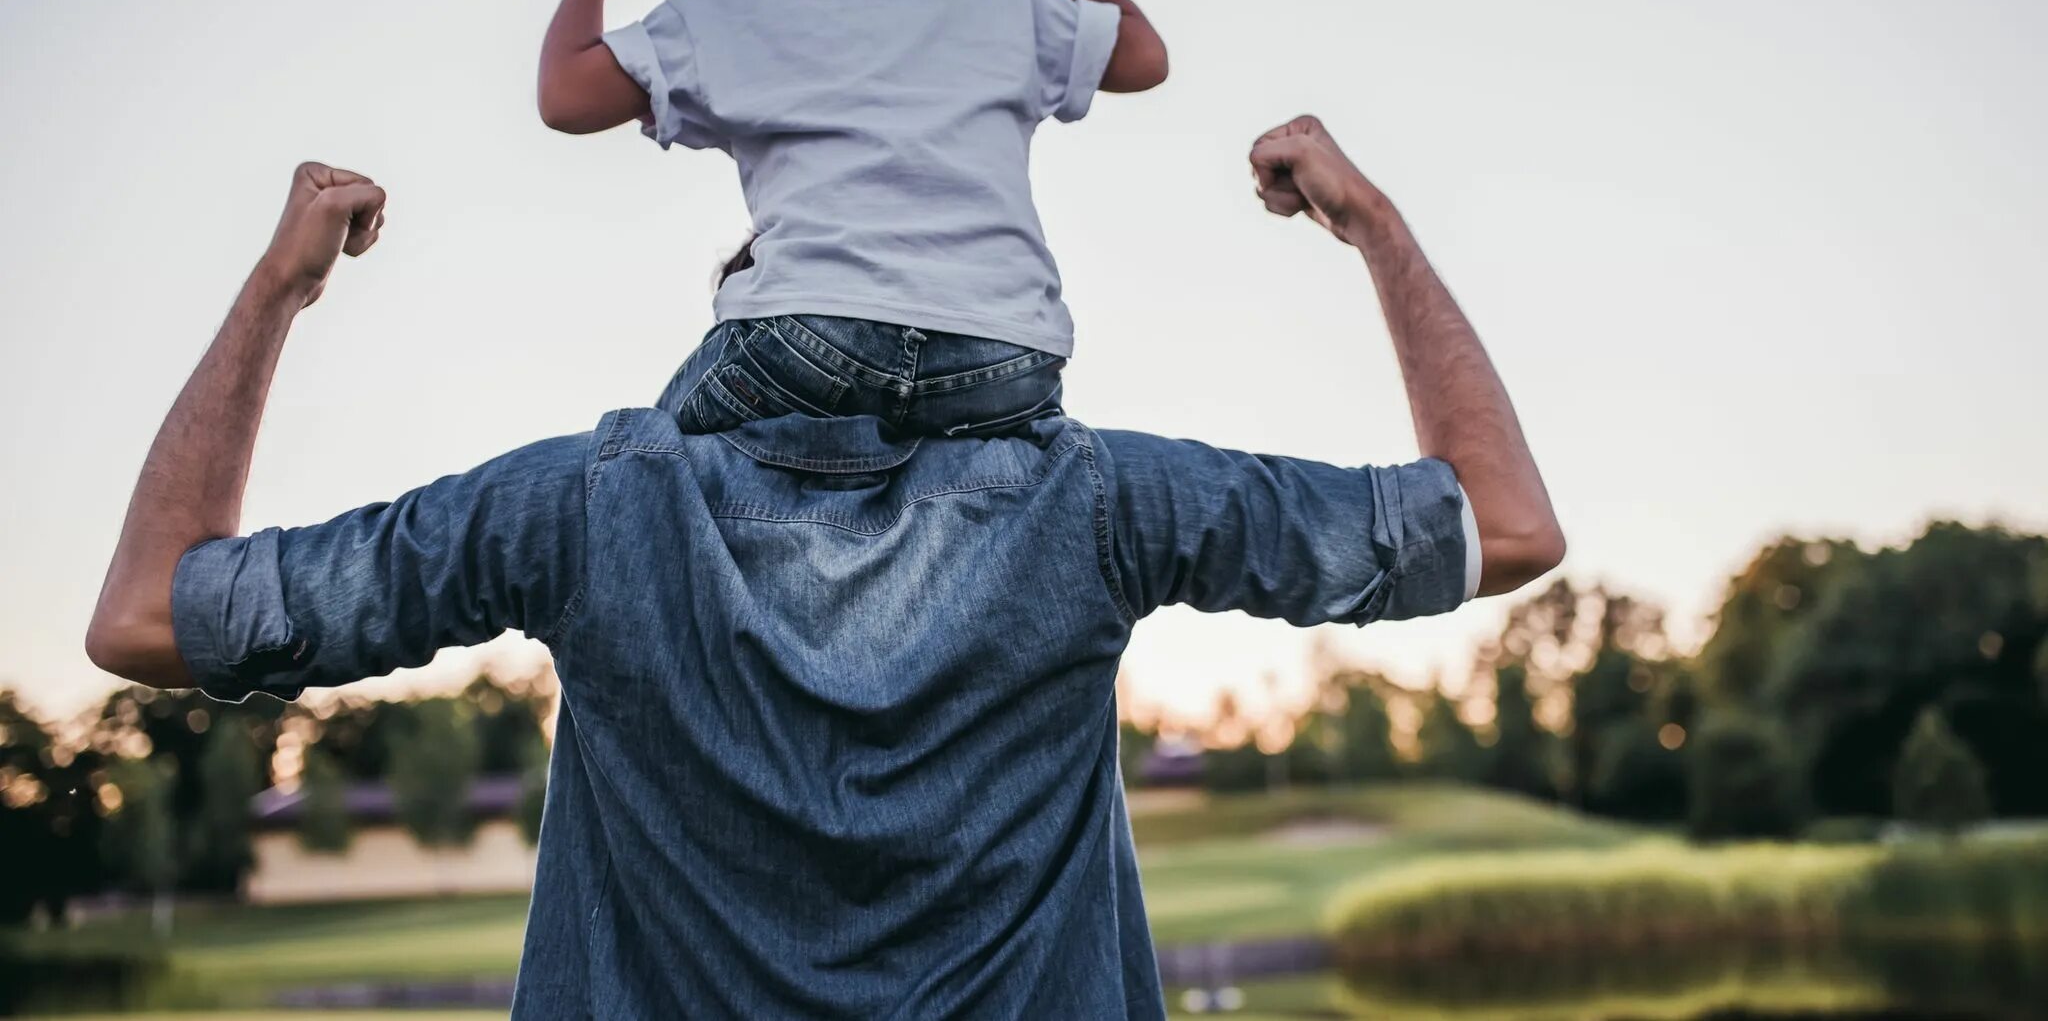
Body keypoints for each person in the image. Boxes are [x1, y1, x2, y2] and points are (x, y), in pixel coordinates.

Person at [85, 117, 1564, 1019]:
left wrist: (281, 287)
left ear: (737, 317)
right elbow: (1504, 524)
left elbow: (152, 610)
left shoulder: (582, 509)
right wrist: (1371, 222)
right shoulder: (1097, 501)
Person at [534, 0, 1169, 438]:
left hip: (810, 339)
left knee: (648, 462)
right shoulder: (1003, 0)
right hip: (1006, 354)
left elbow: (565, 95)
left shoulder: (726, 9)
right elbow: (1145, 55)